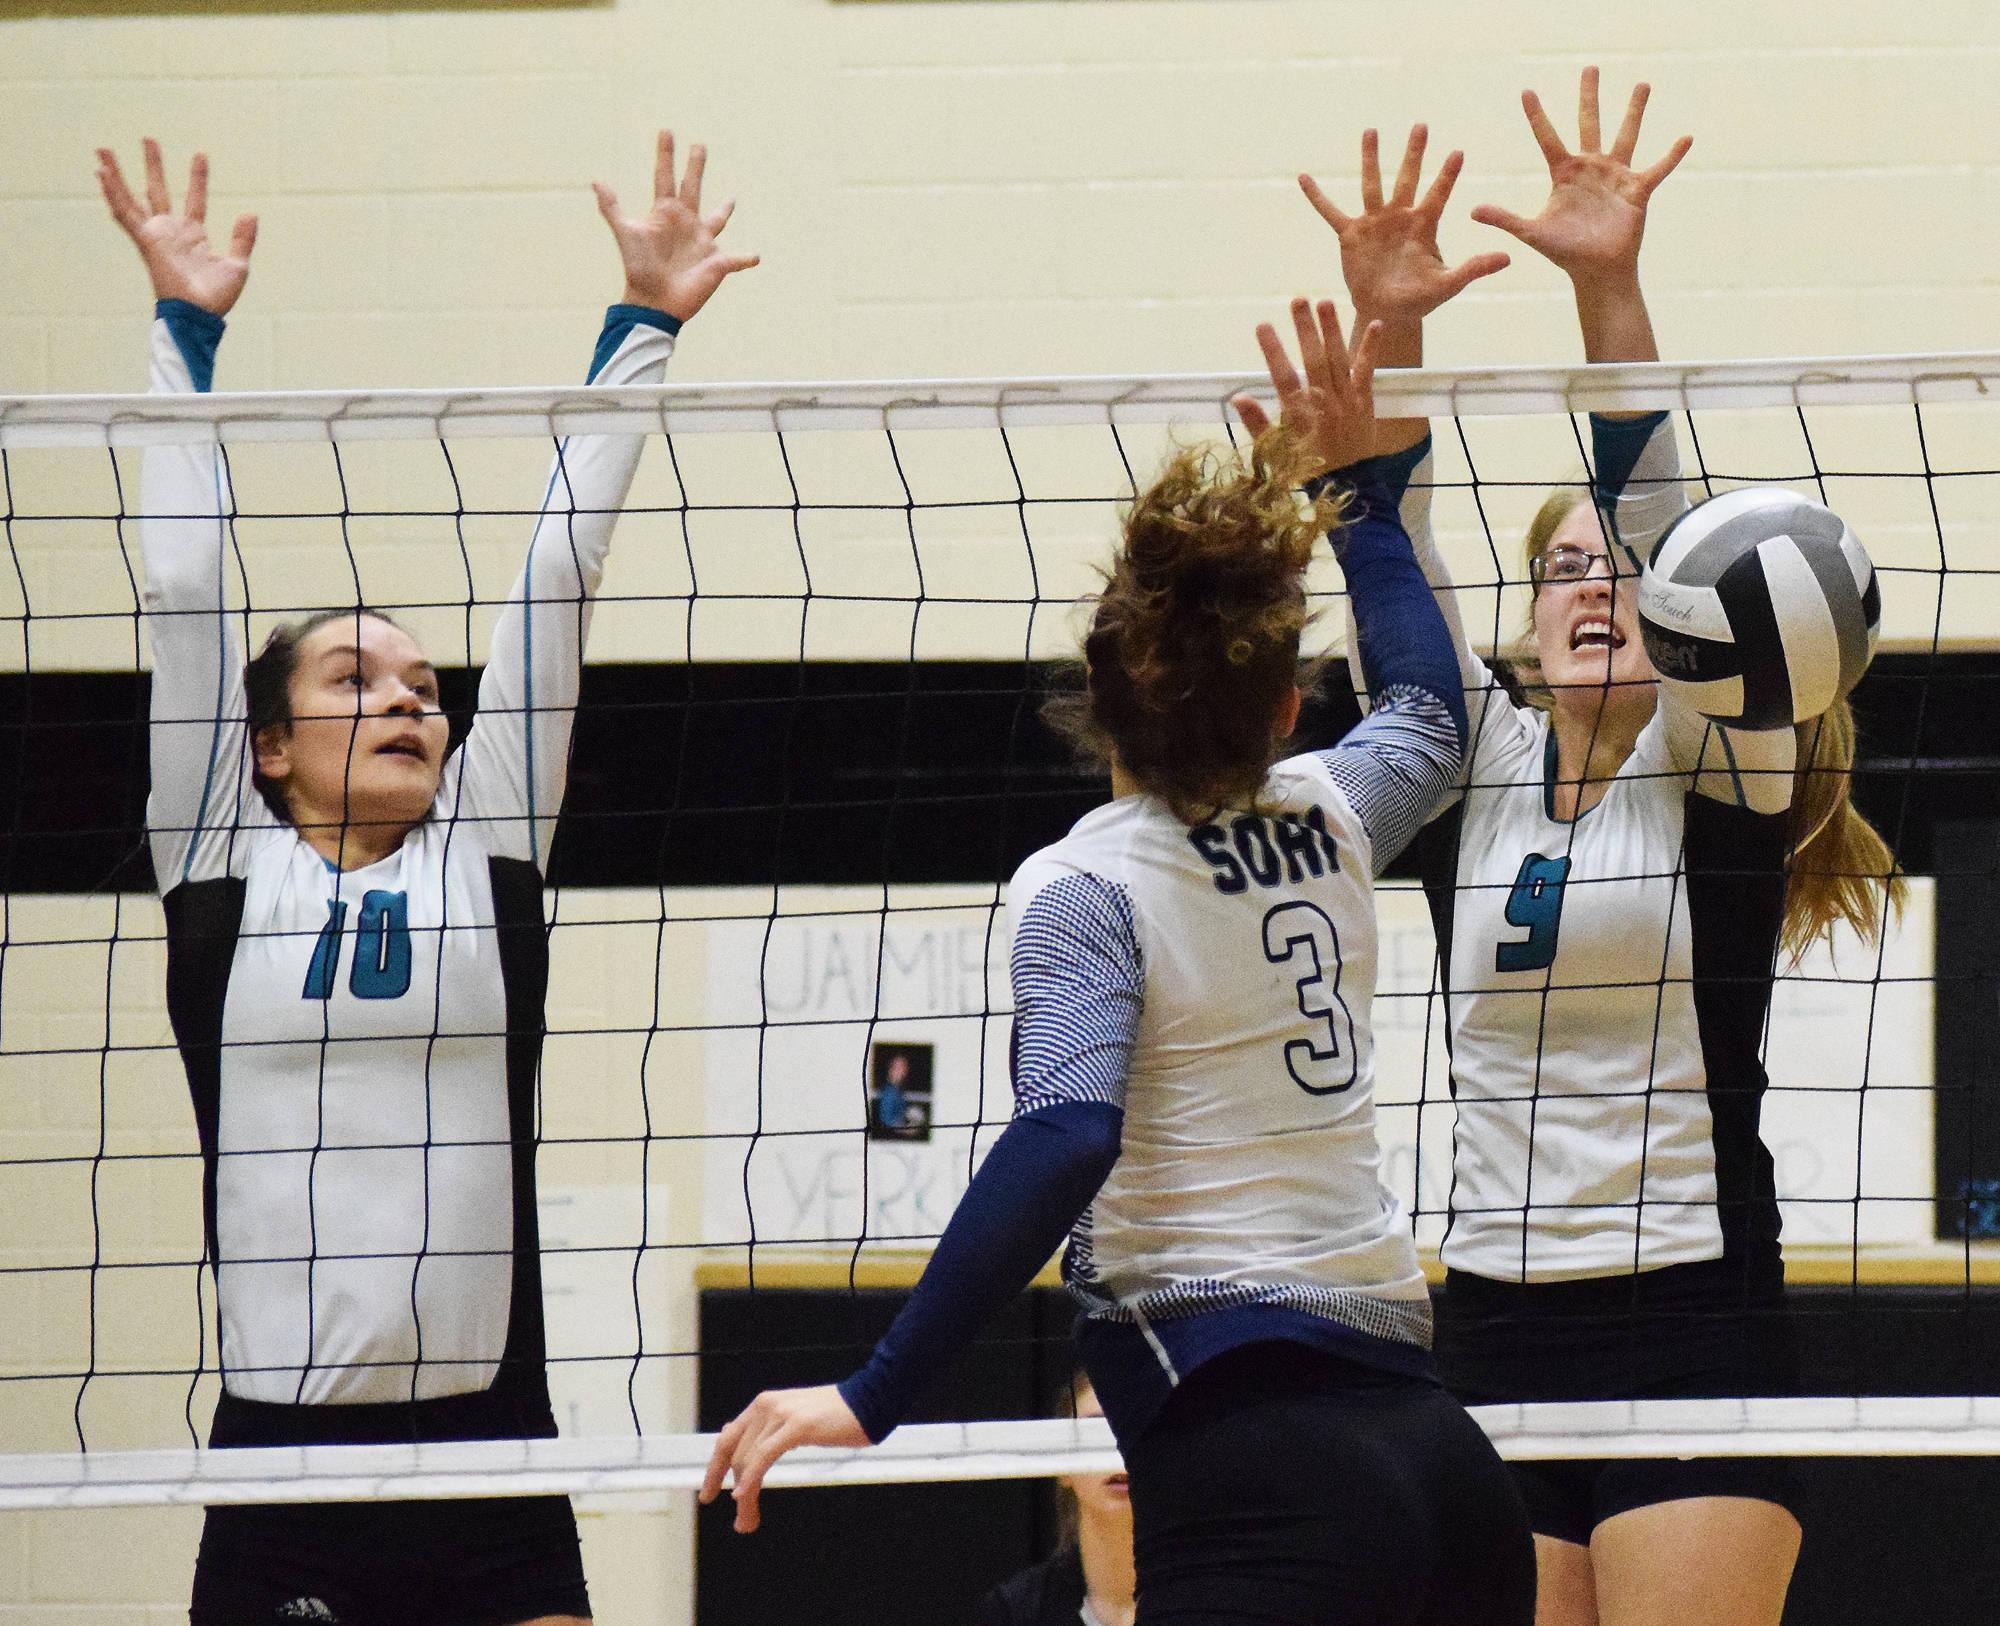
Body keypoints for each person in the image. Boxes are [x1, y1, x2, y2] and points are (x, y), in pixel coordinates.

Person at [702, 296, 1536, 1626]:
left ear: (1100, 696)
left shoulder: (1084, 885)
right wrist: (1362, 501)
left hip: (1260, 1463)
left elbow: (1071, 1130)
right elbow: (1433, 718)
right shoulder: (1328, 812)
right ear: (1280, 706)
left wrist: (877, 1388)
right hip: (1447, 1474)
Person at [99, 131, 755, 1626]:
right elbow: (188, 589)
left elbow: (557, 578)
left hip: (488, 1453)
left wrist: (642, 327)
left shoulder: (489, 844)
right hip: (283, 1471)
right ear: (265, 745)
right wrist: (181, 335)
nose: (408, 698)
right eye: (354, 677)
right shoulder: (215, 855)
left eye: (420, 682)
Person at [1304, 73, 1900, 1626]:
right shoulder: (1465, 761)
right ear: (1526, 609)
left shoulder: (1721, 764)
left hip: (1695, 1323)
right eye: (1563, 569)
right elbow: (1393, 553)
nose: (1597, 592)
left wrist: (1607, 286)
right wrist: (1394, 328)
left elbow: (1666, 513)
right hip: (1490, 1323)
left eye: (1620, 575)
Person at [973, 1374, 1134, 1626]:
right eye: (1095, 1432)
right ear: (1062, 1465)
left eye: (1134, 1431)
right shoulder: (1014, 1612)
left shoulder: (1211, 1599)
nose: (1118, 1453)